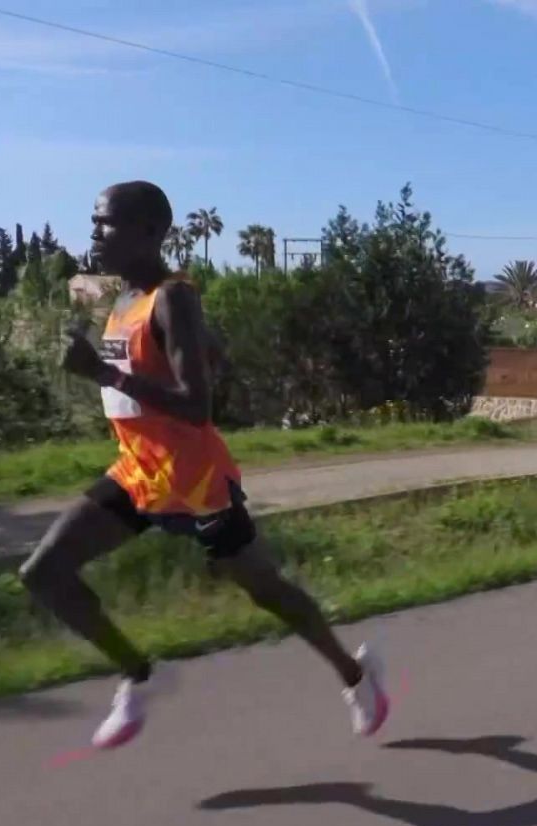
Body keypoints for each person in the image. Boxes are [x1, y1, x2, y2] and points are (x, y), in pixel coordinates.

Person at [20, 180, 388, 749]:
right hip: (137, 471)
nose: (94, 233)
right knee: (42, 572)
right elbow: (186, 357)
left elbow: (196, 406)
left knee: (267, 591)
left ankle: (356, 676)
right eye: (93, 222)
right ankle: (142, 674)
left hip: (195, 481)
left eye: (106, 223)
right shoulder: (125, 300)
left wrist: (104, 374)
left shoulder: (174, 296)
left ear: (148, 232)